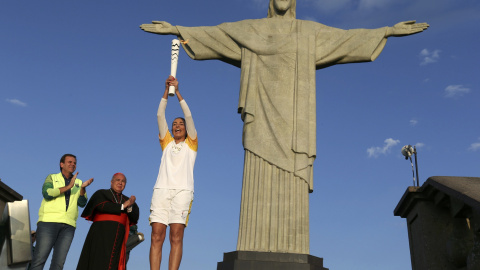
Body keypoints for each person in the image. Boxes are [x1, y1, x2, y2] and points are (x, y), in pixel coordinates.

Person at [140, 0, 429, 254]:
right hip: (259, 120)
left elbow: (347, 40)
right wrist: (177, 29)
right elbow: (217, 34)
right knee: (256, 174)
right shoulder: (251, 29)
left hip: (294, 123)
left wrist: (387, 30)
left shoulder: (308, 32)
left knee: (293, 183)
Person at [149, 76, 198, 270]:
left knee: (175, 236)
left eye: (180, 124)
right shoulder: (167, 143)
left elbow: (189, 116)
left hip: (182, 192)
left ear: (186, 130)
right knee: (156, 235)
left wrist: (177, 92)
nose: (177, 126)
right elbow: (160, 115)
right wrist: (166, 91)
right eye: (174, 124)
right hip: (161, 191)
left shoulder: (191, 144)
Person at [31, 154, 93, 270]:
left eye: (74, 163)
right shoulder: (52, 177)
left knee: (59, 264)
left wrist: (83, 188)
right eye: (69, 162)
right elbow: (47, 193)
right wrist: (69, 186)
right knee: (39, 260)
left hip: (68, 226)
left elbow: (82, 203)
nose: (72, 164)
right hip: (48, 223)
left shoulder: (79, 182)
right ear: (62, 164)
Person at [76, 172, 139, 270]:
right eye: (118, 180)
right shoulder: (101, 193)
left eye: (123, 181)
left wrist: (129, 206)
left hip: (118, 237)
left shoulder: (127, 199)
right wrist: (122, 206)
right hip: (100, 234)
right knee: (96, 262)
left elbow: (134, 218)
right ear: (111, 182)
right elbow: (101, 206)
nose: (120, 183)